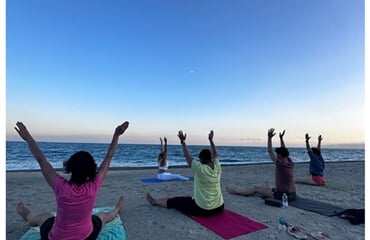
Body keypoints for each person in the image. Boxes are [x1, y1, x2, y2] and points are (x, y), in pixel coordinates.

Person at [15, 121, 129, 240]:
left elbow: (41, 160)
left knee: (43, 217)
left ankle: (27, 216)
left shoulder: (60, 186)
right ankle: (117, 209)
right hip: (86, 237)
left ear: (69, 167)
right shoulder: (93, 186)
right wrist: (116, 135)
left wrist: (28, 138)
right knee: (103, 216)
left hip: (56, 238)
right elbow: (108, 157)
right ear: (92, 170)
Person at [146, 130, 224, 217]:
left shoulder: (201, 169)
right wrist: (211, 140)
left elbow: (188, 157)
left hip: (204, 209)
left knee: (176, 201)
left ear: (202, 159)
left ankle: (154, 202)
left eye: (200, 160)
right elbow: (215, 154)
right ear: (210, 158)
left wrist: (183, 142)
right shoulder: (217, 166)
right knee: (188, 199)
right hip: (219, 206)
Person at [226, 128, 296, 201]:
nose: (276, 155)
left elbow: (269, 151)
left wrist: (269, 137)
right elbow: (284, 150)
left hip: (283, 196)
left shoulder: (280, 165)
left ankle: (236, 192)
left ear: (280, 155)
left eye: (277, 154)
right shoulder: (290, 163)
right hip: (293, 194)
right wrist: (281, 138)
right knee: (269, 186)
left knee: (256, 188)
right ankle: (267, 187)